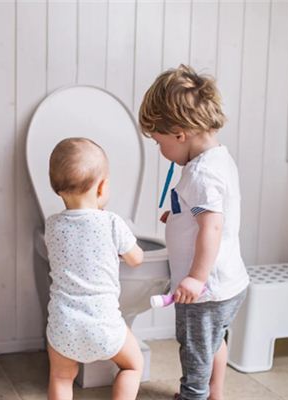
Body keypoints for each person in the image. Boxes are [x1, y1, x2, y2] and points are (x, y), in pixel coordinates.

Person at [139, 65, 250, 400]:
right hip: (229, 283)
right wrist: (176, 215)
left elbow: (212, 226)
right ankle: (214, 394)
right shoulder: (218, 160)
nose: (160, 151)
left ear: (179, 133)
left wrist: (195, 278)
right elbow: (211, 213)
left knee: (195, 353)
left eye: (158, 142)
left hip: (205, 291)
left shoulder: (202, 174)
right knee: (214, 342)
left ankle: (195, 395)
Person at [44, 137, 144, 400]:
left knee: (61, 377)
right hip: (104, 325)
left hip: (63, 326)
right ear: (102, 188)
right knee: (132, 365)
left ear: (57, 189)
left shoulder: (52, 225)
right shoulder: (112, 223)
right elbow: (136, 259)